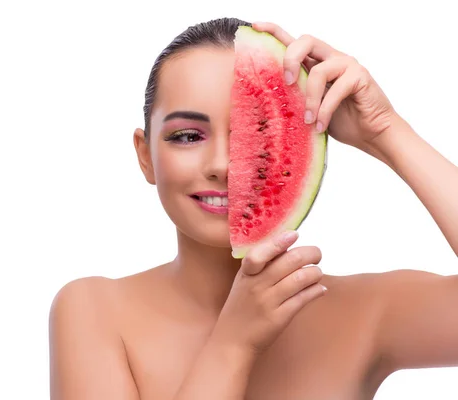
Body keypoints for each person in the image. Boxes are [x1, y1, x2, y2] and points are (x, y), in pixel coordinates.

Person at [48, 17, 458, 399]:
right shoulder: (93, 311)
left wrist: (386, 132)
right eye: (188, 136)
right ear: (145, 156)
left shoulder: (366, 312)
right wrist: (233, 343)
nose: (224, 166)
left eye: (257, 134)